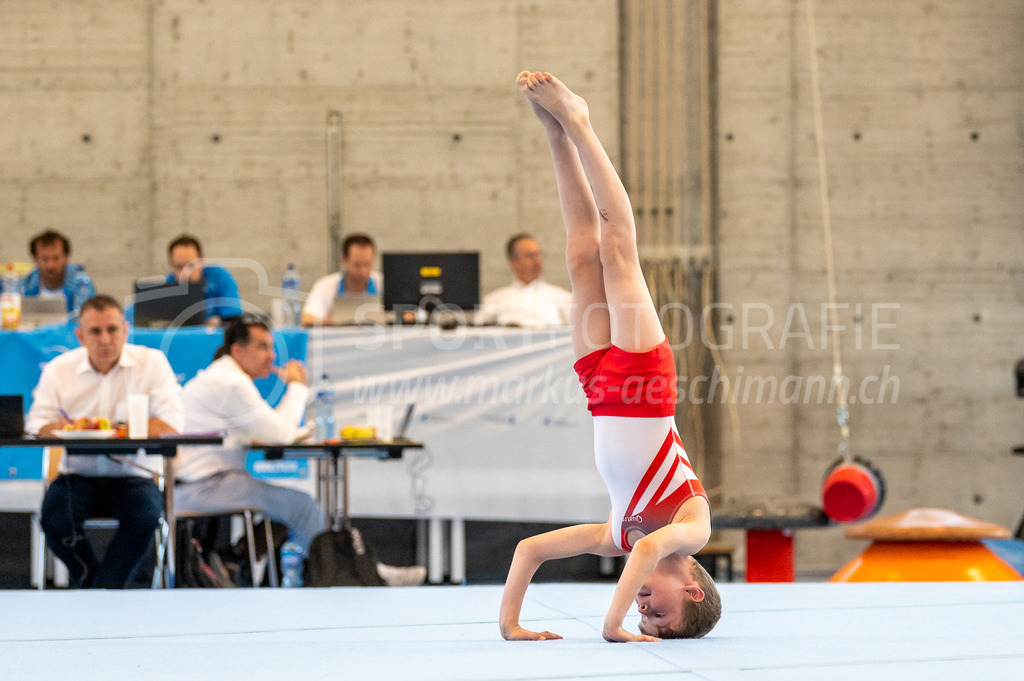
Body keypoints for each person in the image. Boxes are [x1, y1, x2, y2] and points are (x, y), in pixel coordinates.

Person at [499, 72, 720, 642]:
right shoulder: (691, 530)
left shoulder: (615, 536)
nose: (647, 610)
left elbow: (529, 550)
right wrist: (614, 625)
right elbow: (650, 546)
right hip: (646, 385)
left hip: (601, 392)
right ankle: (579, 120)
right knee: (618, 250)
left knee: (579, 257)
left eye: (643, 616)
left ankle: (554, 133)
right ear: (692, 589)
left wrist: (511, 626)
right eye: (660, 613)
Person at [175, 316, 425, 586]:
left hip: (204, 481)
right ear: (238, 350)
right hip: (198, 487)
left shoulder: (223, 377)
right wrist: (296, 387)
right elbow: (279, 433)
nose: (271, 356)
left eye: (272, 348)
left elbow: (259, 431)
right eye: (262, 347)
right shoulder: (230, 382)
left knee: (286, 509)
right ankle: (352, 575)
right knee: (301, 507)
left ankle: (234, 558)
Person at [26, 295, 184, 588]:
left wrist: (117, 430)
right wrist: (58, 428)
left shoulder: (151, 363)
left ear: (125, 330)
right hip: (78, 474)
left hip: (133, 474)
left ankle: (102, 590)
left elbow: (173, 423)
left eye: (112, 330)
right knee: (55, 519)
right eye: (95, 332)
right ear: (80, 335)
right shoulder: (58, 370)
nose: (105, 339)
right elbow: (36, 424)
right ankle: (94, 585)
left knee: (146, 514)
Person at [477, 233, 572, 327]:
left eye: (538, 254)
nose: (537, 261)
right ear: (513, 262)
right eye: (530, 256)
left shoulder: (562, 298)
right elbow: (478, 333)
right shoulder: (496, 300)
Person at [301, 233, 382, 326]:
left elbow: (402, 314)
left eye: (367, 264)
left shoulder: (383, 283)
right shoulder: (325, 285)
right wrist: (333, 321)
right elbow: (307, 319)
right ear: (344, 259)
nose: (362, 271)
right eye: (357, 265)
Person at [166, 234, 244, 321]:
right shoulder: (170, 284)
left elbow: (233, 316)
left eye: (191, 265)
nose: (185, 273)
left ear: (202, 260)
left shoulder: (219, 276)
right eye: (179, 267)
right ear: (171, 265)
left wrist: (218, 322)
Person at [20, 229, 94, 312]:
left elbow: (85, 319)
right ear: (35, 259)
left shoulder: (82, 285)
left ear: (66, 257)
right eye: (44, 259)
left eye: (56, 258)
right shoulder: (25, 285)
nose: (50, 265)